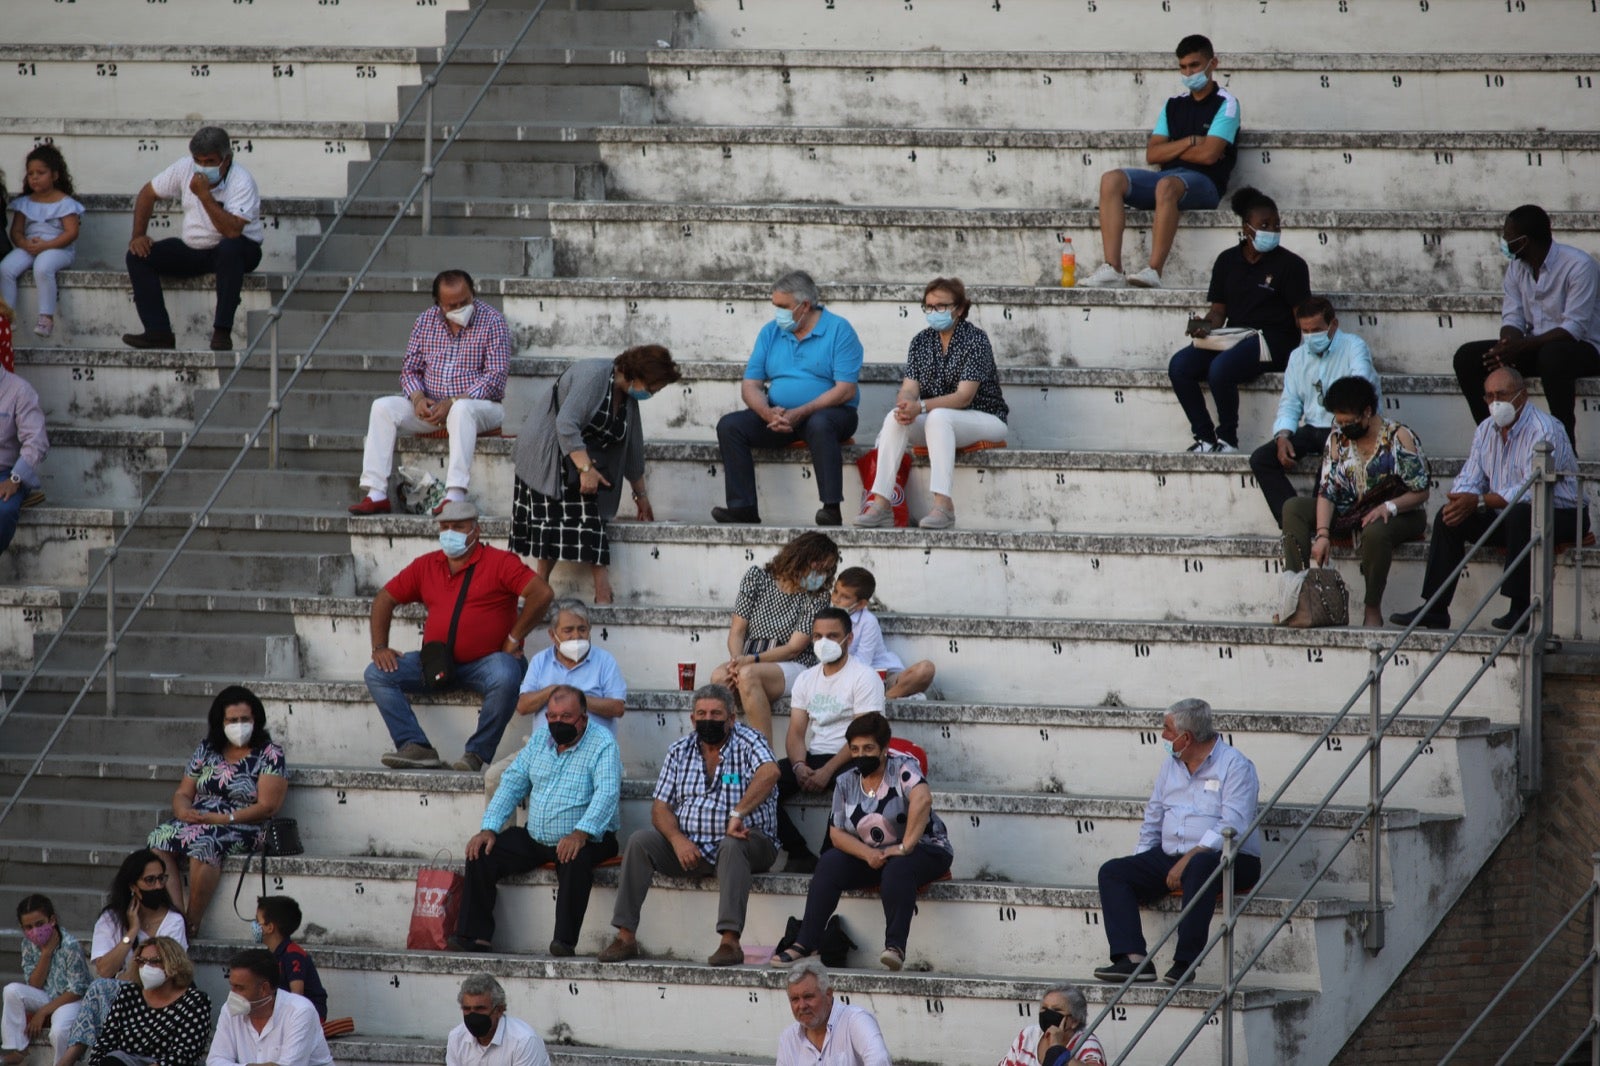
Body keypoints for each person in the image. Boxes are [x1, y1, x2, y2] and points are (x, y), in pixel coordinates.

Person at [1392, 366, 1588, 632]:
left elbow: (1533, 491)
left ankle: (1521, 609)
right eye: (1489, 396)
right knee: (1448, 517)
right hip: (1505, 514)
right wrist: (1460, 497)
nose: (1495, 402)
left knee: (1523, 512)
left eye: (1501, 394)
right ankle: (1434, 608)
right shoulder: (1486, 429)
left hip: (1562, 513)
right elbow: (1471, 475)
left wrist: (1480, 501)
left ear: (1522, 395)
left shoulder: (1545, 429)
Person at [598, 684, 779, 967]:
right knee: (639, 841)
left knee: (733, 844)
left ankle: (730, 942)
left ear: (732, 718)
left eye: (717, 713)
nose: (709, 719)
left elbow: (770, 772)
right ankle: (625, 936)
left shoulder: (749, 741)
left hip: (748, 842)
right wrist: (677, 839)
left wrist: (738, 813)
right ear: (692, 719)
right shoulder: (679, 750)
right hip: (690, 846)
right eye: (702, 713)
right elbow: (660, 808)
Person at [366, 500, 552, 772]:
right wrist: (379, 646)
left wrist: (513, 638)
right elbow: (384, 598)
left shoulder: (501, 562)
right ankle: (415, 746)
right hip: (436, 664)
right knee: (376, 673)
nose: (450, 532)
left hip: (486, 663)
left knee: (506, 674)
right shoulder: (427, 565)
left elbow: (542, 593)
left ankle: (475, 755)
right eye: (445, 526)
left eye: (458, 527)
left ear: (475, 531)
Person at [1094, 698, 1261, 988]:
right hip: (1174, 855)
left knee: (1200, 864)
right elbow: (1153, 819)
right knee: (1114, 872)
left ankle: (1185, 962)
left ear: (1186, 737)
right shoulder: (1170, 766)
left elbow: (1232, 826)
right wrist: (1141, 867)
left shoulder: (1235, 766)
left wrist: (1191, 855)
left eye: (1168, 730)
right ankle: (1133, 960)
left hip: (1230, 857)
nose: (1163, 737)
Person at [768, 713, 953, 972]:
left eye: (868, 748)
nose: (861, 754)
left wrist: (904, 847)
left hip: (923, 848)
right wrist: (867, 854)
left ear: (884, 748)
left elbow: (922, 800)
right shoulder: (846, 780)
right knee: (830, 862)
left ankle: (895, 947)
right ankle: (805, 941)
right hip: (875, 853)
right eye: (855, 749)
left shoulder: (901, 767)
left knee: (897, 867)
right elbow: (837, 834)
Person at [452, 685, 622, 957]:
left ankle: (564, 942)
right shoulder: (541, 739)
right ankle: (474, 936)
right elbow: (512, 782)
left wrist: (581, 833)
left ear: (584, 718)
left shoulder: (603, 744)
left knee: (575, 858)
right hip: (536, 836)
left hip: (591, 837)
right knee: (481, 852)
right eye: (552, 717)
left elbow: (608, 792)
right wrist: (489, 827)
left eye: (566, 717)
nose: (557, 723)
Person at [510, 346, 681, 602]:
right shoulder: (594, 376)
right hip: (547, 452)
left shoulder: (628, 399)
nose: (653, 393)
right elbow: (566, 423)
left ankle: (590, 590)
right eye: (653, 387)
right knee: (564, 517)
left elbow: (632, 447)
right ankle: (572, 587)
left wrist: (640, 495)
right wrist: (586, 469)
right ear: (637, 375)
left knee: (588, 506)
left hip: (580, 461)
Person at [1080, 35, 1241, 291]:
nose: (1189, 72)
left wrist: (1172, 150)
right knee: (1111, 180)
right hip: (1167, 179)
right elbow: (1153, 154)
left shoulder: (1227, 104)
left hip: (1206, 183)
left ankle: (1154, 270)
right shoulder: (1173, 104)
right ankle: (1113, 268)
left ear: (1213, 64)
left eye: (1195, 65)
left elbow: (1210, 156)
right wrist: (1190, 141)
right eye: (1183, 67)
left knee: (1166, 185)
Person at [349, 270, 511, 516]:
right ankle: (376, 493)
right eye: (452, 305)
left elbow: (495, 378)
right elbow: (409, 371)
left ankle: (455, 493)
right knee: (382, 407)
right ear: (439, 305)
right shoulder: (425, 321)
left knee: (461, 409)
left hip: (480, 408)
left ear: (473, 295)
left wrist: (454, 400)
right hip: (432, 409)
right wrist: (417, 398)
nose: (460, 308)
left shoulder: (493, 321)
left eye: (464, 302)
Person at [855, 276, 1008, 530]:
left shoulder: (976, 340)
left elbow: (964, 397)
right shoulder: (921, 341)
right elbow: (909, 388)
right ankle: (881, 503)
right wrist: (905, 404)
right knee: (895, 417)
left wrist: (922, 407)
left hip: (984, 417)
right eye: (929, 306)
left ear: (959, 309)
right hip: (940, 423)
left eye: (941, 306)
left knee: (938, 417)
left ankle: (943, 506)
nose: (933, 312)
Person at [714, 270, 864, 527]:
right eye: (775, 307)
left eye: (783, 307)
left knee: (820, 423)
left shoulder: (839, 330)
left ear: (804, 306)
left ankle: (831, 508)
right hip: (780, 415)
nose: (777, 313)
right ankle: (743, 508)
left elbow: (845, 390)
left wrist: (802, 412)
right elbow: (751, 384)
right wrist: (767, 413)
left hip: (832, 413)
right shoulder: (770, 332)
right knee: (730, 426)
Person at [1168, 187, 1311, 453]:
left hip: (1274, 340)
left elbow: (1300, 316)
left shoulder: (1291, 265)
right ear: (1246, 228)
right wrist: (1204, 326)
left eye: (1276, 224)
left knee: (1220, 369)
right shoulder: (1226, 261)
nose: (1273, 230)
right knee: (1180, 366)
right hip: (1235, 336)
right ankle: (1204, 437)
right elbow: (1218, 312)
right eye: (1264, 224)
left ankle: (1227, 440)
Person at [1281, 376, 1429, 627]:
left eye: (1349, 421)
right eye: (1339, 421)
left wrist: (1388, 507)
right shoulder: (1337, 440)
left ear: (1367, 412)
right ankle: (1297, 596)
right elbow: (1327, 491)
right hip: (1350, 510)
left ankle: (1372, 607)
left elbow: (1421, 491)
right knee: (1292, 508)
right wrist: (1323, 533)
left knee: (1375, 532)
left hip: (1401, 511)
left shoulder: (1399, 436)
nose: (1343, 426)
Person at [1452, 204, 1600, 449]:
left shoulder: (1579, 266)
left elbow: (1573, 328)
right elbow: (1512, 317)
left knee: (1553, 355)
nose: (1505, 241)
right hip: (1535, 347)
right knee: (1468, 357)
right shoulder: (1516, 268)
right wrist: (1506, 347)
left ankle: (1563, 445)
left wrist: (1520, 347)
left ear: (1526, 241)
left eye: (1509, 236)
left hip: (1582, 349)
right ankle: (1494, 440)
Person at [145, 686, 285, 936]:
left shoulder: (269, 753)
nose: (239, 725)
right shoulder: (207, 748)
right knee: (158, 840)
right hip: (201, 819)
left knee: (205, 843)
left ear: (256, 720)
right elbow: (183, 793)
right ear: (220, 722)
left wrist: (224, 818)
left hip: (244, 824)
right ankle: (175, 916)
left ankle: (192, 921)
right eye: (232, 720)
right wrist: (184, 812)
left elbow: (268, 806)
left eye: (245, 719)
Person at [123, 125, 263, 352]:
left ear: (225, 160)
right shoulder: (184, 167)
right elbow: (148, 194)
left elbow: (233, 231)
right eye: (198, 160)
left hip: (240, 248)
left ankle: (222, 332)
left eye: (209, 161)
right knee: (138, 256)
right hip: (196, 248)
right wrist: (138, 235)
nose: (202, 167)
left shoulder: (242, 181)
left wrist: (205, 195)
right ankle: (158, 332)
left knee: (230, 248)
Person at [1248, 297, 1381, 527]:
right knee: (1261, 459)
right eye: (1305, 331)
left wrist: (1340, 427)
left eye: (1317, 330)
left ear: (1333, 325)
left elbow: (1359, 389)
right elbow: (1290, 402)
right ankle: (1292, 519)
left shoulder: (1353, 346)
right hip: (1312, 428)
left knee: (1329, 465)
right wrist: (1282, 436)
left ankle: (1315, 522)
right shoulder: (1297, 356)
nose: (1310, 336)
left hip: (1345, 428)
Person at [775, 607, 885, 873]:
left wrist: (827, 771)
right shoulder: (805, 679)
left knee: (849, 782)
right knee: (759, 781)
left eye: (832, 636)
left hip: (854, 757)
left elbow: (865, 736)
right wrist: (800, 766)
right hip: (814, 756)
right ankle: (798, 852)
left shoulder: (864, 677)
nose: (824, 643)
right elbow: (796, 732)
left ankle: (828, 859)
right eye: (818, 636)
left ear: (850, 637)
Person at [56, 851, 188, 1066]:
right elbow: (105, 970)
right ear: (133, 886)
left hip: (160, 994)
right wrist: (132, 931)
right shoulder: (111, 919)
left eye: (161, 878)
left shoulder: (173, 921)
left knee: (102, 989)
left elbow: (168, 970)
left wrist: (129, 974)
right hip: (119, 994)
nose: (157, 886)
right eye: (150, 880)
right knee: (102, 988)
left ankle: (68, 1060)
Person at [710, 532, 838, 742]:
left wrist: (749, 661)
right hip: (748, 659)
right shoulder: (757, 577)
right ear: (799, 558)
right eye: (817, 567)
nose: (821, 574)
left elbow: (794, 647)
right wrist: (736, 661)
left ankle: (764, 757)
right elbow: (737, 630)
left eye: (826, 570)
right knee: (718, 678)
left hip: (794, 663)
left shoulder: (818, 595)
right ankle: (727, 754)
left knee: (748, 675)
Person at [85, 938, 210, 1066]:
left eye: (154, 961)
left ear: (173, 964)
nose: (146, 967)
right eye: (142, 961)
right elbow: (105, 1042)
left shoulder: (194, 1001)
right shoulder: (128, 994)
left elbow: (186, 1053)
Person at [1, 145, 84, 339]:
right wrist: (24, 244)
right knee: (6, 268)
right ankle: (7, 316)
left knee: (42, 266)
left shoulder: (64, 203)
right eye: (31, 173)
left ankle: (46, 317)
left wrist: (46, 245)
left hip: (59, 249)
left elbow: (71, 233)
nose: (35, 177)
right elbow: (16, 231)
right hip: (31, 246)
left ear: (55, 175)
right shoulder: (25, 202)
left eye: (41, 172)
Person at [2, 895, 91, 1066]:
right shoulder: (28, 945)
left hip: (70, 1000)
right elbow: (34, 984)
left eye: (39, 924)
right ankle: (19, 1049)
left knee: (58, 1032)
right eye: (28, 927)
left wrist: (42, 1012)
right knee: (11, 990)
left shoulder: (70, 945)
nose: (34, 931)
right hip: (46, 995)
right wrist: (46, 953)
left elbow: (77, 990)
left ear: (52, 920)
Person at [515, 599, 626, 735]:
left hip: (593, 749)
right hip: (548, 748)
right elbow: (523, 706)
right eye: (568, 630)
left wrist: (576, 699)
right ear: (553, 635)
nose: (576, 636)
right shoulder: (540, 660)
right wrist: (553, 691)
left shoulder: (605, 661)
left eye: (582, 629)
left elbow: (617, 708)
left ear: (589, 630)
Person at [206, 949, 331, 1066]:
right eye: (231, 986)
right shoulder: (229, 1009)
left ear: (264, 989)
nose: (232, 994)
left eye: (240, 988)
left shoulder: (300, 1011)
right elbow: (215, 1061)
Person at [830, 567, 936, 700]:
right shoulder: (825, 617)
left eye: (845, 597)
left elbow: (863, 662)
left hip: (881, 676)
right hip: (844, 680)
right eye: (835, 592)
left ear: (861, 604)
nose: (836, 599)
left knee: (925, 669)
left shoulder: (868, 621)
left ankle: (886, 699)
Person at [776, 960, 891, 1066]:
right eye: (795, 999)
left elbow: (880, 1060)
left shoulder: (856, 1020)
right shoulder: (788, 1039)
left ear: (828, 994)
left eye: (808, 997)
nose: (802, 1006)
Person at [446, 975, 550, 1066]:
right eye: (467, 1009)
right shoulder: (456, 1038)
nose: (473, 1015)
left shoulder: (524, 1041)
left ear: (499, 1010)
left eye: (480, 1008)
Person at [0, 360, 47, 557]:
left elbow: (36, 441)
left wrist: (15, 479)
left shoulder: (20, 390)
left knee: (4, 510)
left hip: (7, 474)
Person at [252, 897, 327, 1021]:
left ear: (270, 927)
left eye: (257, 921)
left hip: (309, 1015)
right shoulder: (270, 955)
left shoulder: (293, 955)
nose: (254, 925)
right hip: (286, 1012)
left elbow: (297, 995)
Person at [996, 983, 1106, 1066]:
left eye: (1056, 1010)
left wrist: (1056, 1048)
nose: (1048, 1014)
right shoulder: (1028, 1035)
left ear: (1074, 1021)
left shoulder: (1086, 1043)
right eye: (1044, 1008)